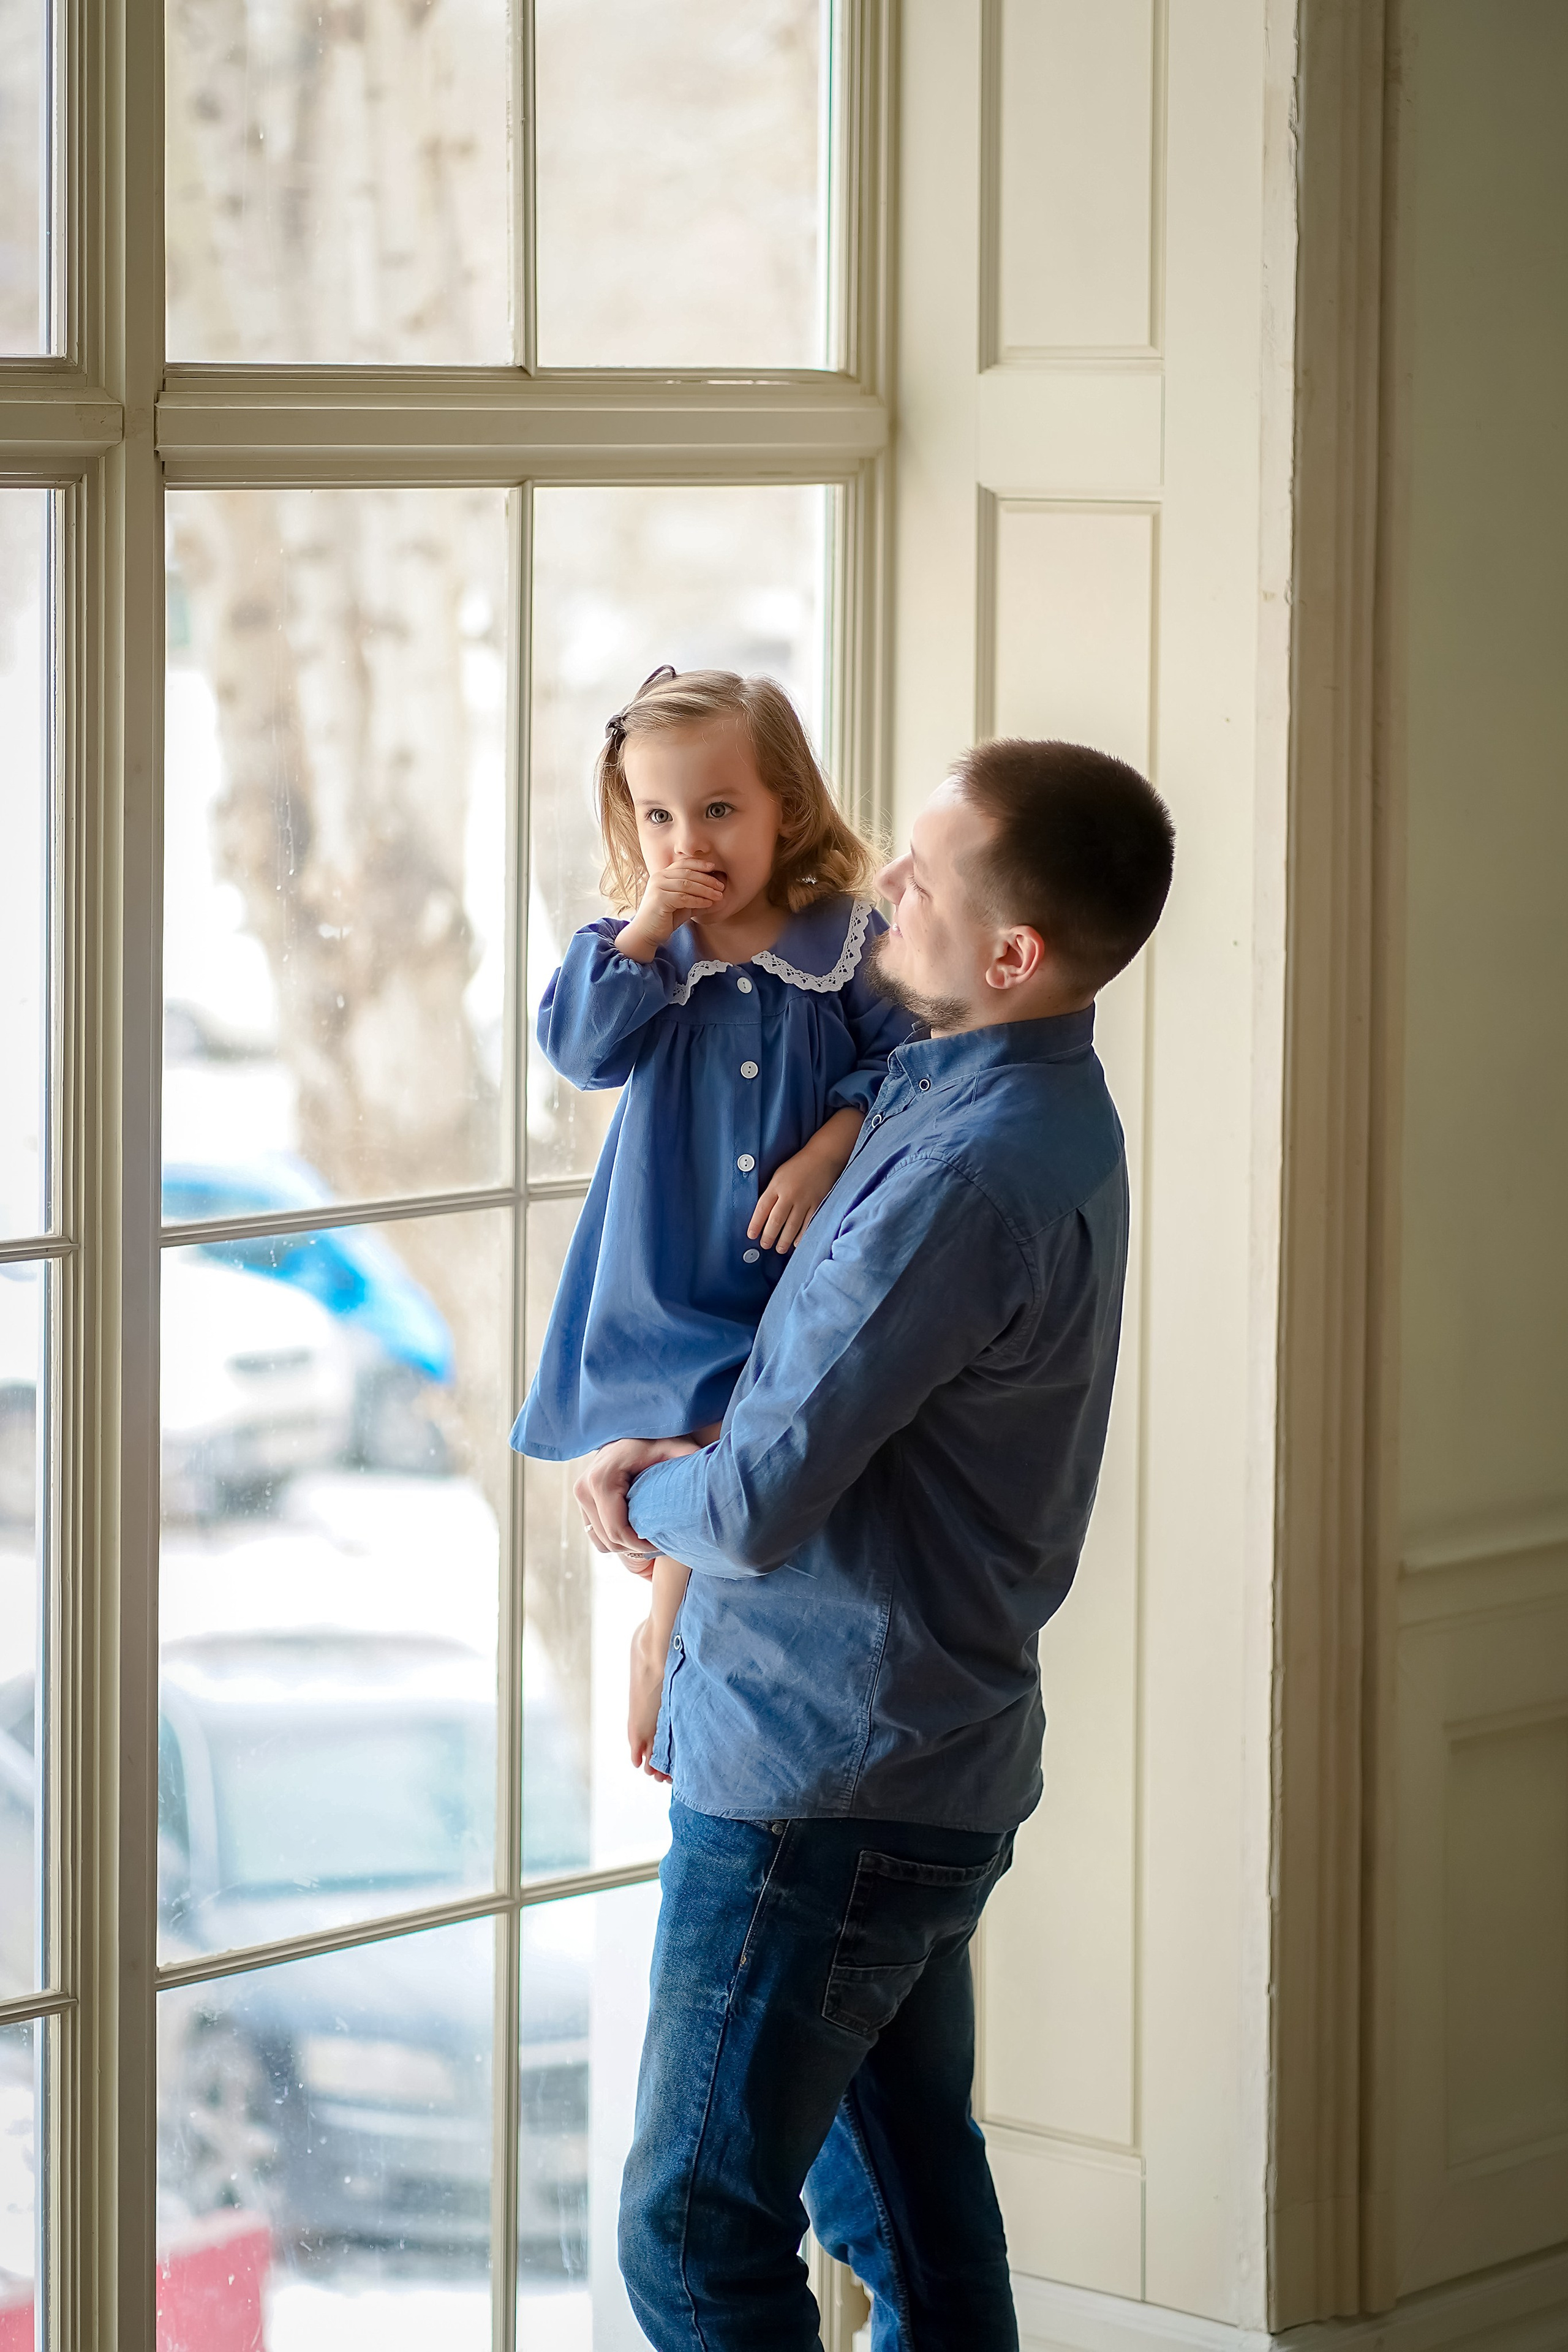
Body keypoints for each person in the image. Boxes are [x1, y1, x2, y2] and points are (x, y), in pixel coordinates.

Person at [576, 737, 1175, 2352]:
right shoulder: (974, 1099)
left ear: (1013, 956)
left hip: (821, 1786)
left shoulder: (968, 1174)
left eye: (922, 876)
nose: (882, 888)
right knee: (904, 2201)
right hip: (910, 1757)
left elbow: (764, 1496)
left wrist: (636, 1496)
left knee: (693, 2232)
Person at [510, 665, 919, 1771]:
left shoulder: (847, 938)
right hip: (673, 1250)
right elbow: (580, 1054)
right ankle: (662, 1636)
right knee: (694, 1415)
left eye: (720, 809)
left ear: (786, 804)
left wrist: (831, 1146)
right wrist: (646, 926)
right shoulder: (644, 951)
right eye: (658, 816)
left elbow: (913, 1063)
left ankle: (665, 1638)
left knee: (752, 1422)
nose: (689, 840)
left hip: (799, 1249)